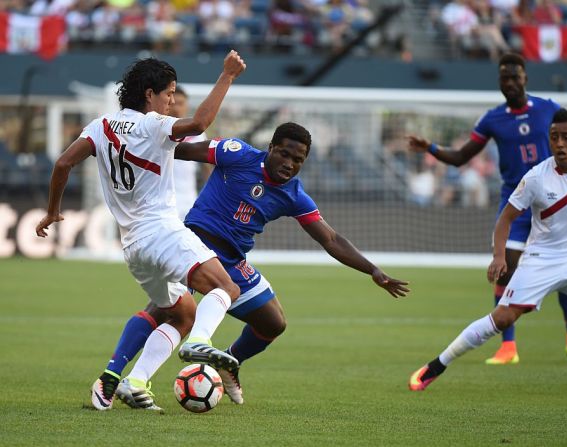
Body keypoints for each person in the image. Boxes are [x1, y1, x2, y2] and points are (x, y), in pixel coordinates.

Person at [105, 122, 410, 407]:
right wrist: (136, 158)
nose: (290, 163)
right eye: (285, 154)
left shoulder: (293, 194)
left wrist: (373, 270)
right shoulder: (235, 153)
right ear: (271, 148)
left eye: (298, 159)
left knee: (273, 323)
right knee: (165, 311)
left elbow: (330, 239)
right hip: (193, 245)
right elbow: (179, 151)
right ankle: (113, 377)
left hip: (233, 261)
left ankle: (228, 361)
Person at [35, 50, 247, 412]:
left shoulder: (100, 126)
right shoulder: (153, 124)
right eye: (169, 93)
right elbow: (198, 124)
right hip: (163, 233)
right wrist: (226, 75)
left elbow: (62, 163)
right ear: (149, 94)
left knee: (180, 313)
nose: (170, 102)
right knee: (226, 287)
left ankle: (116, 382)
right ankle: (198, 343)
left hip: (133, 246)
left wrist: (53, 211)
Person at [408, 52, 567, 367]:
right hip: (516, 201)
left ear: (525, 78)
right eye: (505, 77)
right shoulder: (492, 118)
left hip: (558, 198)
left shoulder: (547, 108)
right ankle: (508, 345)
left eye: (515, 76)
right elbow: (463, 156)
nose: (511, 82)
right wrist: (432, 148)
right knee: (507, 267)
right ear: (500, 82)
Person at [170, 85, 209, 220]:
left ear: (186, 105)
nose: (176, 108)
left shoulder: (198, 135)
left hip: (189, 201)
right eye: (173, 104)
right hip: (163, 203)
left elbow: (206, 167)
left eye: (181, 103)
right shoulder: (158, 131)